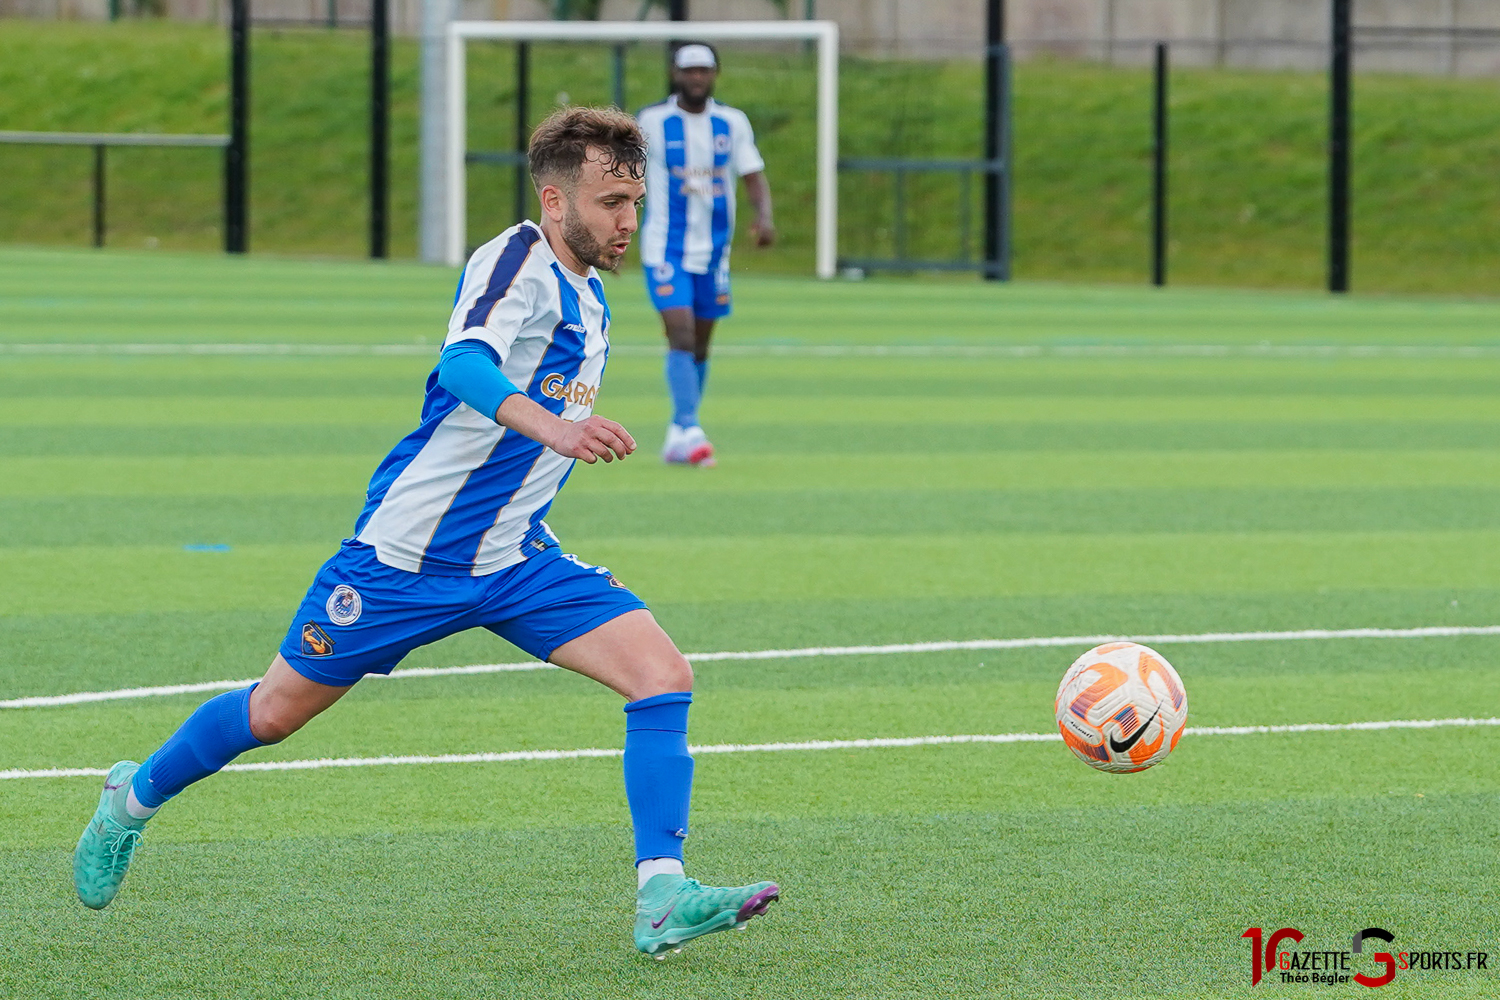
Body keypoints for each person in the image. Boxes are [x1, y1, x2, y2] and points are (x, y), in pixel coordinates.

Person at [71, 106, 779, 959]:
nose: (627, 222)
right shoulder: (515, 259)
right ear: (556, 201)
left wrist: (548, 446)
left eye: (635, 202)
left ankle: (661, 893)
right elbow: (464, 363)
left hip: (516, 558)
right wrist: (551, 427)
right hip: (403, 560)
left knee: (662, 678)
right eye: (610, 203)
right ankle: (130, 801)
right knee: (272, 714)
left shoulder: (590, 297)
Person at [637, 42, 775, 467]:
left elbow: (752, 174)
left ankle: (679, 435)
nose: (697, 77)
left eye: (704, 70)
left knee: (700, 344)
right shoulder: (653, 122)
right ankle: (689, 425)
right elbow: (627, 174)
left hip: (715, 252)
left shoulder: (732, 123)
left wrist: (764, 217)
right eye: (689, 70)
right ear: (675, 74)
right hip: (665, 247)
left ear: (715, 74)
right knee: (679, 332)